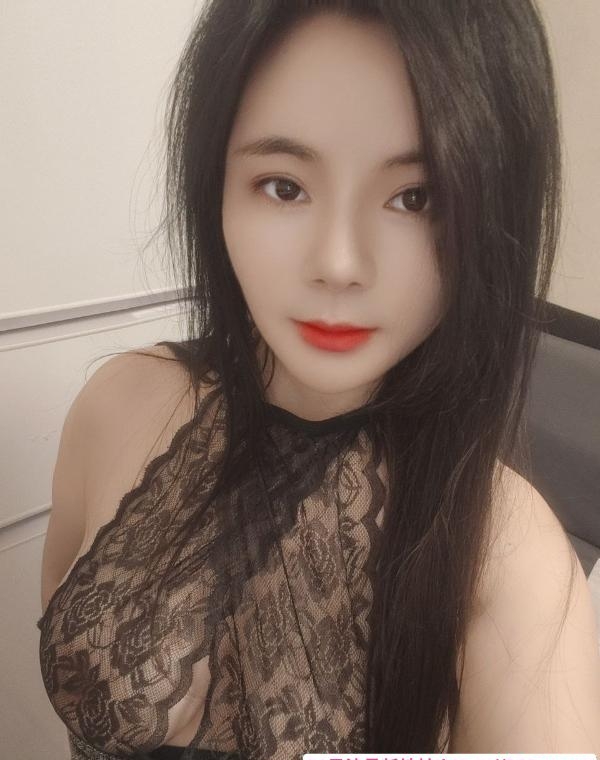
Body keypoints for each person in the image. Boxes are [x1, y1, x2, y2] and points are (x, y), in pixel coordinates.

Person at [38, 1, 600, 758]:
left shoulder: (510, 559)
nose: (339, 263)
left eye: (416, 198)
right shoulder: (118, 400)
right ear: (216, 186)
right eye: (284, 186)